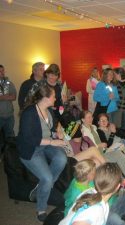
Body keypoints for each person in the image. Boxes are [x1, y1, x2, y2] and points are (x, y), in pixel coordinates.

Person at [17, 85, 67, 222]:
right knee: (47, 178)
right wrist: (52, 142)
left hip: (45, 144)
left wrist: (57, 132)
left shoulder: (48, 110)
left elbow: (50, 128)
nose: (55, 98)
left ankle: (41, 187)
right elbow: (29, 139)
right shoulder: (29, 113)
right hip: (31, 148)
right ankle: (41, 208)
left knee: (62, 158)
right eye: (53, 96)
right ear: (45, 98)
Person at [81, 110, 125, 179]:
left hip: (104, 151)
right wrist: (98, 145)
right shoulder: (83, 131)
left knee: (119, 153)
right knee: (118, 155)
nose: (91, 119)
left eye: (91, 117)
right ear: (83, 119)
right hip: (96, 155)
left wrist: (113, 129)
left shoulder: (93, 127)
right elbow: (85, 147)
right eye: (88, 117)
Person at [0, 65, 17, 139]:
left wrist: (2, 97)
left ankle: (9, 151)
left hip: (9, 116)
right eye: (0, 71)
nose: (2, 72)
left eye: (3, 70)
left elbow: (14, 97)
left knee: (10, 136)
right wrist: (6, 96)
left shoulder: (9, 83)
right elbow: (9, 96)